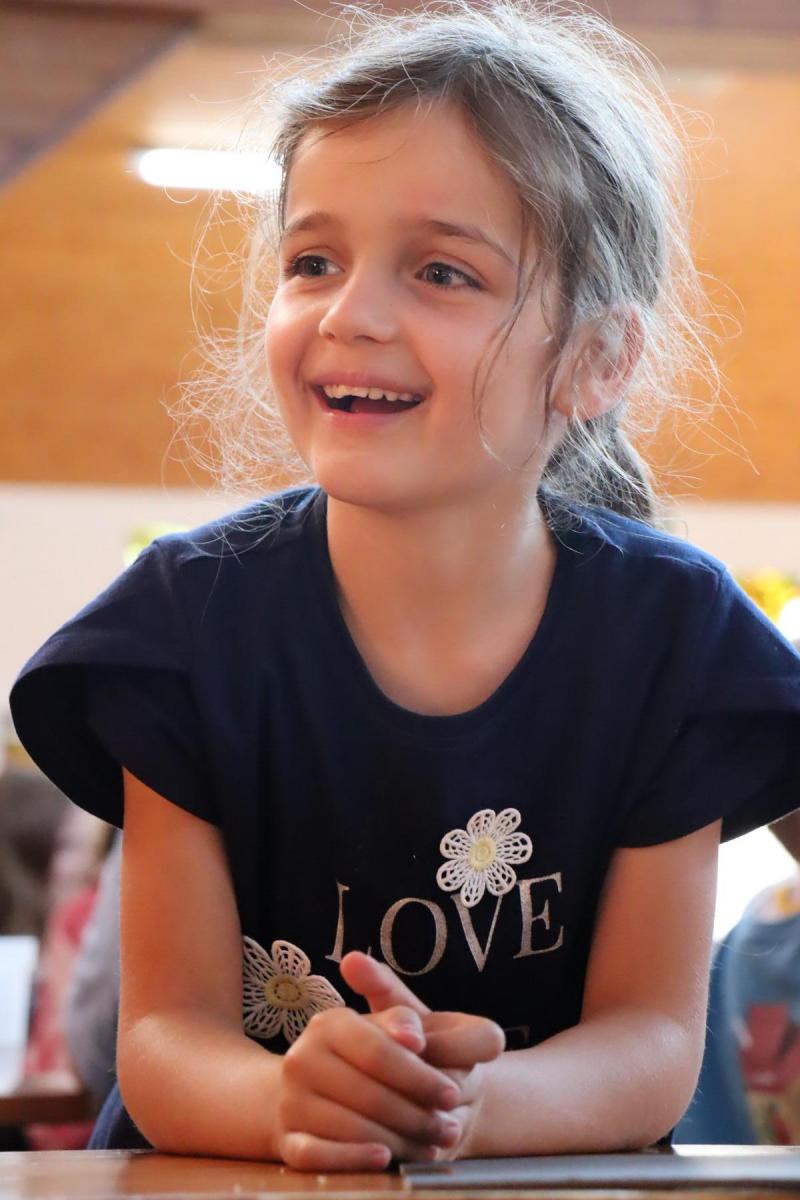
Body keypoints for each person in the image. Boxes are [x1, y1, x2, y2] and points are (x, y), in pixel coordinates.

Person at [9, 0, 800, 1171]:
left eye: (439, 272)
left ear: (594, 359)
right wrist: (291, 1099)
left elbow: (647, 1043)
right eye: (311, 262)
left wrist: (461, 1108)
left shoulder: (668, 640)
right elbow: (165, 1039)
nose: (349, 313)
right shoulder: (186, 625)